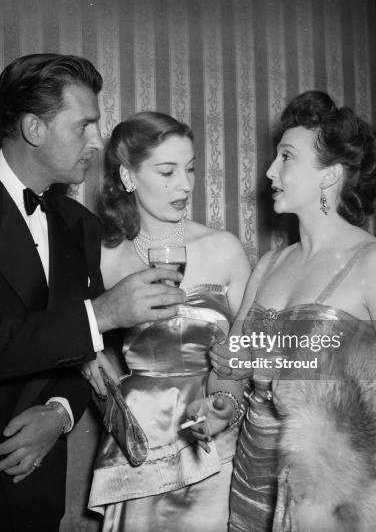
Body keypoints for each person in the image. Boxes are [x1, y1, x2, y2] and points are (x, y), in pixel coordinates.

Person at [0, 54, 185, 532]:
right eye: (84, 125)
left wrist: (61, 412)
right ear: (33, 128)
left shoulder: (80, 227)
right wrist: (103, 311)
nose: (97, 140)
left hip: (36, 495)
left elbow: (88, 349)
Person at [187, 91, 376, 530]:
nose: (270, 171)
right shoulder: (269, 265)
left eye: (286, 157)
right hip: (250, 482)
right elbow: (233, 367)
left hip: (331, 499)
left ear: (329, 176)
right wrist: (221, 401)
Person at [84, 111, 251, 531]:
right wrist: (93, 363)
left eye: (190, 168)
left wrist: (226, 404)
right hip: (142, 438)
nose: (185, 184)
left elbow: (251, 348)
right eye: (167, 171)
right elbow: (74, 335)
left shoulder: (224, 249)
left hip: (218, 435)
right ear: (128, 176)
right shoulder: (105, 257)